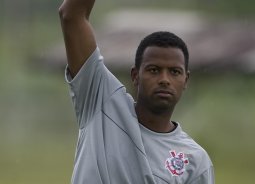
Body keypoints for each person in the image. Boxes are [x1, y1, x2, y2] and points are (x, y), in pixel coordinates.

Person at [59, 0, 214, 183]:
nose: (164, 79)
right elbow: (71, 15)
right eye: (154, 70)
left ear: (185, 80)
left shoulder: (195, 161)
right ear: (135, 75)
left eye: (174, 72)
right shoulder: (101, 101)